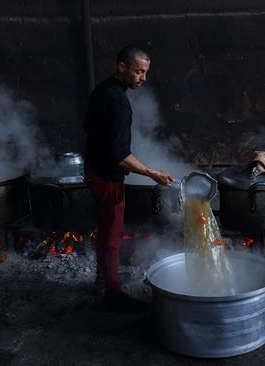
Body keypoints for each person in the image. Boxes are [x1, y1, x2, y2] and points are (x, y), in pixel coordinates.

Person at [83, 45, 174, 310]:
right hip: (107, 177)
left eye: (145, 72)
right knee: (112, 236)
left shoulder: (102, 90)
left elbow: (88, 127)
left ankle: (103, 279)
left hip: (93, 169)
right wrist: (151, 173)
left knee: (105, 230)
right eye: (138, 71)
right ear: (120, 67)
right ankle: (111, 295)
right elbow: (119, 155)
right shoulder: (119, 104)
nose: (143, 78)